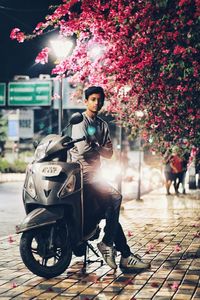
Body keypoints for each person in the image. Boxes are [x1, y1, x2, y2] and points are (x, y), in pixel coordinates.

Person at [70, 86, 150, 271]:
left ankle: (123, 254)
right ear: (86, 101)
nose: (96, 102)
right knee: (115, 198)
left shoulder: (102, 125)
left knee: (109, 212)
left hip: (96, 178)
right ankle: (112, 247)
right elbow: (83, 151)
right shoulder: (79, 122)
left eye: (99, 99)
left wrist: (95, 146)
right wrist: (98, 147)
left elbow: (109, 153)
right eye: (93, 99)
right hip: (83, 177)